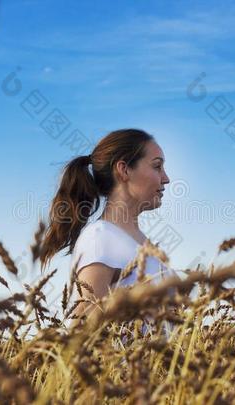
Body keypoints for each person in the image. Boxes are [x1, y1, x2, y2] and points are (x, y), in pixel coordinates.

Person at [39, 128, 176, 336]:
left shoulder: (143, 243)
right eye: (157, 166)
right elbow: (83, 335)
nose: (166, 179)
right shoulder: (100, 238)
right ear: (124, 170)